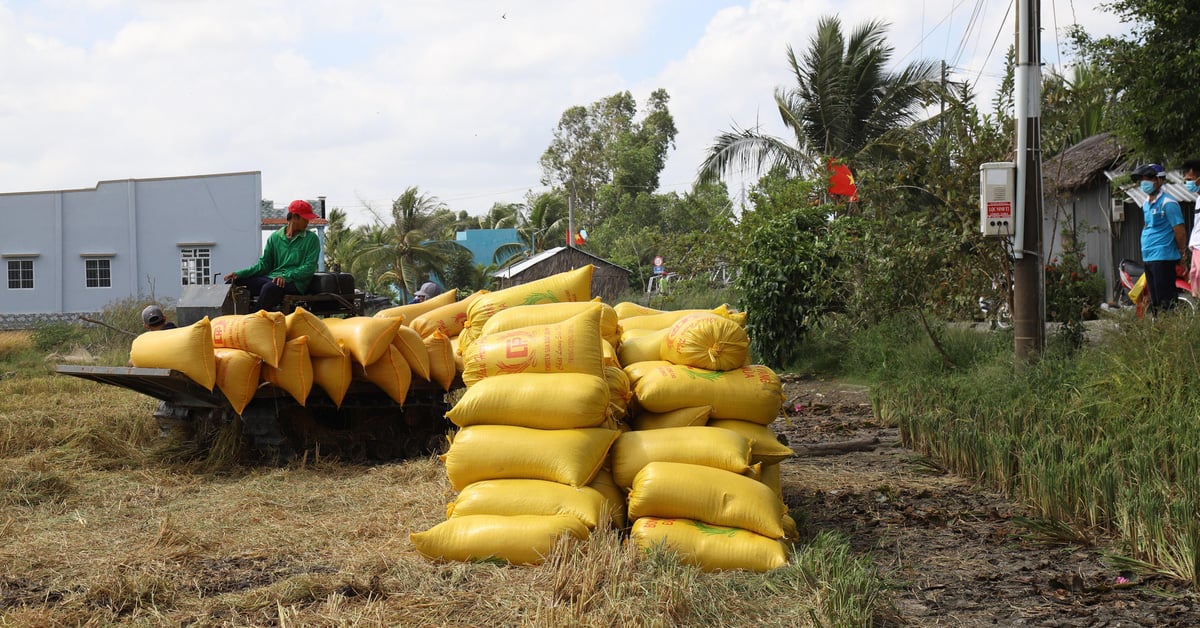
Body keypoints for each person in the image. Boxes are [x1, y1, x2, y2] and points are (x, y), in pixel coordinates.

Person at [222, 199, 321, 312]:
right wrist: (239, 274)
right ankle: (229, 320)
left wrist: (286, 277)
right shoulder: (275, 238)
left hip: (295, 283)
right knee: (234, 283)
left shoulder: (311, 239)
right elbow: (264, 265)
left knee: (270, 288)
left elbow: (309, 267)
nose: (308, 222)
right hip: (272, 279)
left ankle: (254, 320)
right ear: (294, 217)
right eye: (305, 218)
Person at [1133, 164, 1188, 314]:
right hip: (1148, 256)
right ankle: (1159, 331)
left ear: (1160, 180)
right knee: (1155, 300)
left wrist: (1181, 252)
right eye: (1143, 178)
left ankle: (1169, 332)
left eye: (1150, 178)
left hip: (1163, 257)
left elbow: (1180, 231)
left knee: (1166, 301)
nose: (1145, 182)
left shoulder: (1168, 203)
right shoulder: (1145, 203)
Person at [1184, 159, 1200, 297]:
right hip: (1196, 246)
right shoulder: (1198, 199)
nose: (1187, 182)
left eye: (1190, 179)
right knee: (1194, 277)